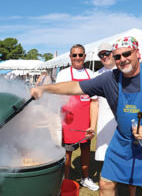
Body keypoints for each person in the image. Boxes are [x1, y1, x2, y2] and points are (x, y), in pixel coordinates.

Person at [30, 37, 142, 196]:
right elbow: (76, 86)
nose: (122, 59)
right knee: (105, 185)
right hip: (122, 143)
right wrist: (46, 88)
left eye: (127, 54)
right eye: (117, 56)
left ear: (137, 53)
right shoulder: (110, 79)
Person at [55, 44, 99, 191]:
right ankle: (65, 181)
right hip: (68, 121)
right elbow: (57, 98)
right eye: (75, 55)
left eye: (80, 55)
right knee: (67, 152)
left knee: (86, 150)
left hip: (85, 120)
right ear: (70, 57)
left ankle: (85, 178)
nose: (78, 58)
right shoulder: (63, 74)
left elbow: (94, 102)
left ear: (85, 56)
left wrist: (93, 125)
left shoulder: (91, 75)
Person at [94, 43, 117, 164]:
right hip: (104, 121)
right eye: (101, 54)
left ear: (113, 53)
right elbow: (94, 103)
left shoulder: (123, 72)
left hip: (121, 120)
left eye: (107, 53)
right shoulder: (96, 75)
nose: (104, 56)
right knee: (106, 155)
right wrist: (92, 127)